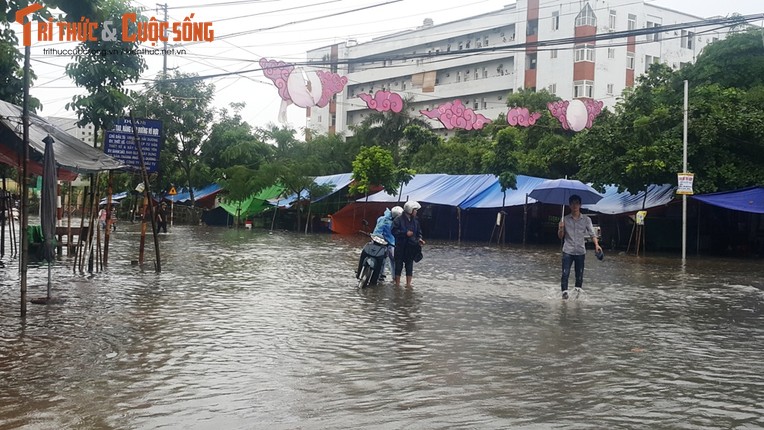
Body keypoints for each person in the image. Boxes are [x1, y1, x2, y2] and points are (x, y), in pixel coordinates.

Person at [558, 194, 602, 299]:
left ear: (580, 205)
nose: (575, 205)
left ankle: (577, 297)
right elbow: (560, 237)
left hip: (580, 251)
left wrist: (596, 245)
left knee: (579, 276)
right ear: (569, 205)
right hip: (568, 250)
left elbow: (592, 234)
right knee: (565, 274)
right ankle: (564, 295)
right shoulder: (564, 219)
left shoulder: (586, 219)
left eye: (577, 203)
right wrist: (561, 228)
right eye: (572, 203)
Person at [392, 200, 425, 287]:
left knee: (409, 267)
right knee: (398, 267)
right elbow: (394, 231)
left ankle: (408, 285)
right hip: (400, 246)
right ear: (410, 210)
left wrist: (420, 239)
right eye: (415, 210)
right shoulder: (398, 220)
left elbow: (418, 232)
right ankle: (397, 285)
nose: (416, 212)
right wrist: (405, 233)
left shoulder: (415, 221)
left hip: (411, 247)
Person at [372, 206, 403, 281]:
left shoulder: (400, 223)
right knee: (380, 257)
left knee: (393, 259)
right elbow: (377, 230)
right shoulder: (383, 219)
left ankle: (395, 277)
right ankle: (380, 274)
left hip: (392, 244)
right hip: (380, 241)